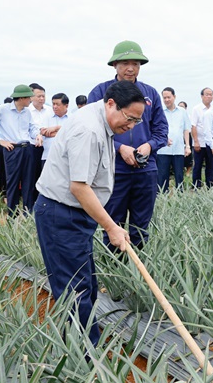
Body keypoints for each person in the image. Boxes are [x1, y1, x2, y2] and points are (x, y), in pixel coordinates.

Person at [35, 80, 140, 346]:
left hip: (74, 214)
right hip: (62, 214)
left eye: (137, 121)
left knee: (85, 284)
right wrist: (112, 227)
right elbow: (79, 187)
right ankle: (84, 359)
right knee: (75, 290)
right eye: (129, 119)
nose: (130, 126)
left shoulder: (101, 117)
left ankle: (84, 345)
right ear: (111, 104)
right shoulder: (89, 130)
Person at [87, 40, 168, 250]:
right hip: (113, 169)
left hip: (145, 168)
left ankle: (138, 269)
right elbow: (91, 128)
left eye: (136, 63)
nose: (130, 68)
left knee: (141, 226)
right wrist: (119, 148)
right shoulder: (101, 93)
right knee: (113, 223)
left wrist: (149, 145)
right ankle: (115, 269)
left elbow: (161, 130)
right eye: (125, 63)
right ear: (115, 65)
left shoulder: (150, 94)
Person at [0, 85, 41, 216]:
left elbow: (32, 127)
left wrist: (38, 135)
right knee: (12, 182)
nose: (31, 100)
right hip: (12, 150)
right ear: (22, 98)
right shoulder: (3, 109)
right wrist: (0, 140)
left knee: (28, 182)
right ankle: (12, 214)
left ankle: (28, 213)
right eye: (29, 97)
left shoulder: (27, 112)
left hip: (27, 149)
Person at [157, 87, 190, 192]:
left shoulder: (182, 112)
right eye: (164, 98)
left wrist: (188, 146)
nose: (166, 100)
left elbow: (186, 130)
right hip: (163, 150)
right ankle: (162, 199)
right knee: (162, 177)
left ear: (174, 97)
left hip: (178, 149)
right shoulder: (160, 112)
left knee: (179, 176)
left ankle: (180, 198)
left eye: (169, 97)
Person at [190, 87, 213, 189]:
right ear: (202, 96)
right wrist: (196, 142)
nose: (209, 96)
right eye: (207, 94)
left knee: (210, 166)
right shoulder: (196, 109)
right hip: (199, 143)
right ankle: (196, 186)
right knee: (197, 166)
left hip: (210, 143)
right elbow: (193, 126)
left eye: (211, 94)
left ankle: (209, 186)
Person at [39, 92, 70, 165]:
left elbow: (72, 134)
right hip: (48, 156)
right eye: (53, 104)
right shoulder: (46, 116)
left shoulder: (72, 118)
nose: (54, 106)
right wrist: (63, 132)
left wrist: (56, 128)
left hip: (66, 158)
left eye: (57, 104)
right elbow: (43, 132)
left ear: (66, 106)